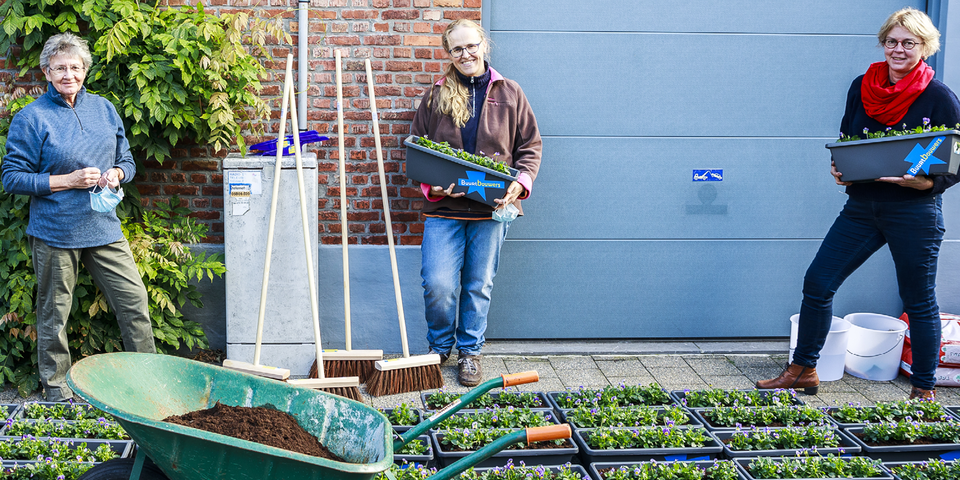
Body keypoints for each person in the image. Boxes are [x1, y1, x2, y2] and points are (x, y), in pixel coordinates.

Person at [758, 7, 960, 400]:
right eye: (891, 41)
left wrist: (927, 182)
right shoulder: (862, 86)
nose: (898, 50)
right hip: (863, 207)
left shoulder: (938, 98)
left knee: (919, 298)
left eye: (908, 43)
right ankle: (804, 369)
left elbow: (957, 157)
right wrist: (840, 168)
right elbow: (849, 138)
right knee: (818, 282)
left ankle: (924, 389)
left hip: (913, 211)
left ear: (925, 47)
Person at [1, 33, 156, 401]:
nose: (68, 74)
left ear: (85, 70)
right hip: (55, 231)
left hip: (103, 227)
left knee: (134, 302)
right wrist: (66, 181)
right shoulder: (32, 117)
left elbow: (127, 160)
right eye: (59, 68)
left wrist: (117, 174)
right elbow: (11, 178)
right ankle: (56, 388)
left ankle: (150, 378)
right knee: (54, 314)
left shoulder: (104, 109)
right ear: (46, 72)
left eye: (75, 66)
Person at [410, 19, 542, 386]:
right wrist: (434, 187)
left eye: (470, 46)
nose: (465, 54)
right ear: (448, 53)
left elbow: (529, 146)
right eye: (456, 49)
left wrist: (521, 182)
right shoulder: (436, 95)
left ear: (483, 45)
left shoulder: (510, 92)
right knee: (437, 284)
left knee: (478, 284)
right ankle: (439, 348)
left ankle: (470, 352)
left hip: (491, 208)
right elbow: (417, 146)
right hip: (444, 210)